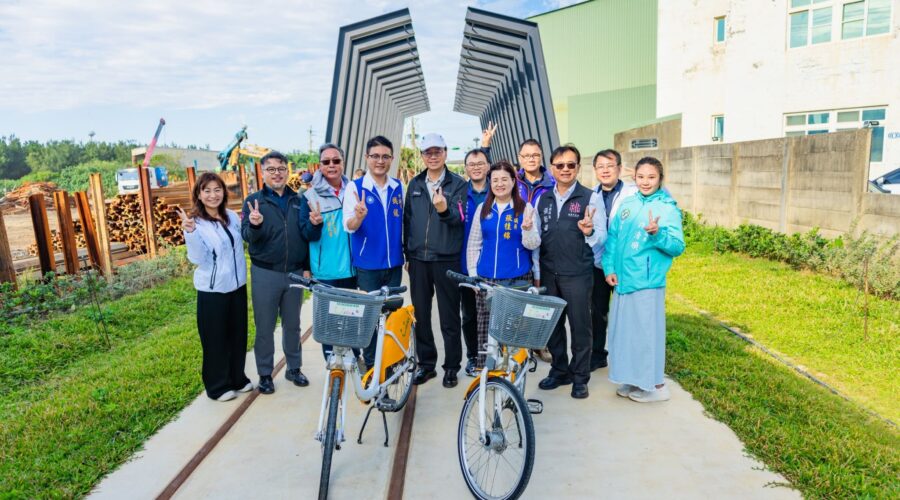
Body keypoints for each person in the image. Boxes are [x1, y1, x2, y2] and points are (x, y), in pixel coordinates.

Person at [602, 156, 684, 403]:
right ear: (634, 177)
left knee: (647, 335)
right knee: (626, 334)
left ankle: (656, 386)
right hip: (623, 281)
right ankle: (633, 379)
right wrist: (609, 268)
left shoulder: (667, 208)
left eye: (651, 177)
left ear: (660, 179)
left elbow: (677, 246)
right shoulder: (627, 204)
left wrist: (657, 234)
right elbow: (613, 238)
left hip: (647, 282)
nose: (645, 182)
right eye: (641, 177)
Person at [533, 145, 607, 399]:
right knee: (553, 325)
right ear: (551, 168)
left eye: (571, 165)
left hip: (577, 274)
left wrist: (589, 231)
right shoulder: (543, 199)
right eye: (560, 165)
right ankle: (559, 371)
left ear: (578, 167)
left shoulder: (590, 197)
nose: (565, 169)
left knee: (580, 326)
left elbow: (602, 236)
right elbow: (536, 237)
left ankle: (580, 377)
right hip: (549, 272)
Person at [179, 172, 252, 402]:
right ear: (199, 195)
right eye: (207, 190)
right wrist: (190, 233)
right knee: (215, 338)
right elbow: (197, 258)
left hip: (237, 286)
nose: (213, 195)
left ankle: (237, 378)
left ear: (224, 192)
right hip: (213, 290)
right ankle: (217, 386)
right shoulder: (196, 223)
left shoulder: (231, 216)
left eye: (217, 189)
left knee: (238, 335)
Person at [241, 151, 309, 395]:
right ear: (262, 173)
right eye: (271, 169)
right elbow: (247, 236)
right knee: (265, 326)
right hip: (265, 273)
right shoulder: (253, 201)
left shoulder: (299, 200)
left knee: (293, 324)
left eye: (281, 168)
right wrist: (255, 225)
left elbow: (305, 235)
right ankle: (265, 374)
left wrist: (307, 268)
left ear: (287, 171)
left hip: (294, 273)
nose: (277, 173)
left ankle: (294, 368)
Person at [404, 132, 468, 388]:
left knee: (449, 317)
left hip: (446, 259)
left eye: (437, 151)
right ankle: (426, 364)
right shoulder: (415, 184)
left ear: (445, 153)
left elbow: (460, 219)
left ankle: (451, 367)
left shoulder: (458, 184)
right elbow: (407, 221)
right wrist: (407, 254)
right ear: (422, 156)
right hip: (418, 260)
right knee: (420, 314)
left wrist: (443, 210)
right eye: (428, 152)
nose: (433, 156)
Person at [466, 160, 539, 367]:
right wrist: (473, 275)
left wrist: (527, 229)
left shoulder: (525, 208)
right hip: (486, 279)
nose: (499, 184)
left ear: (513, 181)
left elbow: (533, 244)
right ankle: (487, 371)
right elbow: (473, 244)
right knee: (486, 327)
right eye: (495, 180)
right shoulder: (482, 209)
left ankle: (514, 371)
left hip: (517, 278)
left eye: (504, 179)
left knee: (515, 328)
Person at [342, 136, 405, 369]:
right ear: (367, 158)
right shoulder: (355, 187)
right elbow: (348, 226)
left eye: (385, 156)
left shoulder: (398, 187)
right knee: (369, 318)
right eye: (375, 156)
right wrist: (358, 217)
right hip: (368, 266)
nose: (380, 161)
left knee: (391, 317)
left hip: (394, 264)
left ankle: (389, 363)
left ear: (391, 158)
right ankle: (371, 367)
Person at [300, 143, 358, 359]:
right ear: (320, 165)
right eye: (326, 162)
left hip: (353, 270)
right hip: (326, 272)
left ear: (343, 163)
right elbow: (305, 235)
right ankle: (332, 366)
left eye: (336, 160)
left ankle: (355, 360)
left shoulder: (354, 191)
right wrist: (314, 224)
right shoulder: (309, 196)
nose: (331, 165)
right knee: (328, 322)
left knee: (353, 319)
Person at [589, 149, 638, 372]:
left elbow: (663, 194)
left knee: (625, 313)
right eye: (600, 166)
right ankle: (598, 355)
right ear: (595, 170)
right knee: (597, 312)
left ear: (619, 168)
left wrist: (638, 176)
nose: (605, 170)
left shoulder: (633, 192)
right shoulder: (591, 195)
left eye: (610, 165)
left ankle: (625, 357)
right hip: (598, 262)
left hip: (624, 264)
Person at [460, 143, 491, 377]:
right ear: (466, 169)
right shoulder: (459, 194)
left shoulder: (498, 189)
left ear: (488, 166)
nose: (477, 167)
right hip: (464, 265)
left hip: (492, 267)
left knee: (493, 315)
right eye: (472, 164)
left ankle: (493, 356)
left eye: (481, 163)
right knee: (470, 315)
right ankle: (473, 356)